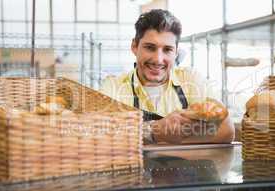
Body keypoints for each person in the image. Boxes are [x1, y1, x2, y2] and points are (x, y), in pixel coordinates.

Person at [100, 9, 235, 144]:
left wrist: (147, 138)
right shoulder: (113, 86)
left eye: (167, 50)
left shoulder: (190, 79)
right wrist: (154, 131)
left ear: (176, 52)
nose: (158, 59)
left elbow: (226, 130)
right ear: (134, 46)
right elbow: (100, 134)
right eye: (150, 47)